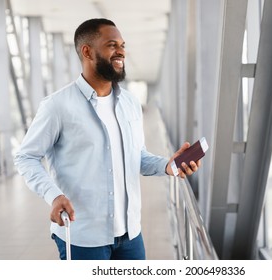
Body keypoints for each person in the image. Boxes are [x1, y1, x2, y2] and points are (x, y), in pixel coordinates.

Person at [13, 18, 201, 260]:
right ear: (87, 51)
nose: (121, 50)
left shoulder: (130, 103)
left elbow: (138, 157)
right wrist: (54, 195)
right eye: (112, 45)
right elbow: (25, 157)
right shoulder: (57, 106)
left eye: (122, 44)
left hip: (131, 235)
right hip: (83, 237)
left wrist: (168, 164)